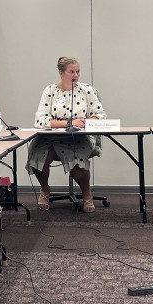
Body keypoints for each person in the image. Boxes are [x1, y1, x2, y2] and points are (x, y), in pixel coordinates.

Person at [28, 57, 106, 212]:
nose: (75, 75)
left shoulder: (86, 90)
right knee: (37, 156)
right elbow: (40, 121)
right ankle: (45, 190)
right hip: (50, 138)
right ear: (61, 73)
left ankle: (86, 194)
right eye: (71, 72)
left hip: (78, 138)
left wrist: (85, 121)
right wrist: (69, 123)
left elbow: (101, 115)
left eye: (77, 72)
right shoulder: (50, 91)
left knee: (78, 164)